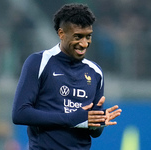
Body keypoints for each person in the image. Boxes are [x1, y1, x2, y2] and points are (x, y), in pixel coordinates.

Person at [12, 3, 122, 150]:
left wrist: (98, 121)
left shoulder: (95, 72)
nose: (84, 44)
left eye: (88, 36)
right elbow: (20, 114)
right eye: (78, 37)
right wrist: (72, 119)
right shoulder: (39, 62)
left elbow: (95, 132)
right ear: (61, 34)